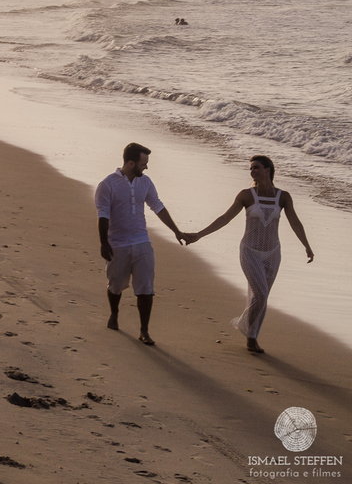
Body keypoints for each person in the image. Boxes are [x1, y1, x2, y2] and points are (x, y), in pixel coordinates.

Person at [184, 155, 314, 353]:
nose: (252, 171)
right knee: (260, 294)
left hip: (273, 253)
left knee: (262, 296)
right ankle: (244, 325)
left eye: (256, 167)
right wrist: (199, 235)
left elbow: (295, 222)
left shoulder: (283, 196)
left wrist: (306, 245)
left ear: (267, 170)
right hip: (249, 251)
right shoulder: (246, 195)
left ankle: (252, 338)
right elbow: (225, 218)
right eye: (251, 168)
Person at [96, 142, 187, 346]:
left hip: (142, 241)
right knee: (116, 285)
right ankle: (114, 313)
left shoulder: (145, 183)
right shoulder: (107, 185)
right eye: (143, 163)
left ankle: (144, 330)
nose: (146, 167)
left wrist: (176, 231)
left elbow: (158, 206)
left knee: (146, 287)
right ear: (130, 163)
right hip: (117, 243)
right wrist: (104, 243)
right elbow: (102, 215)